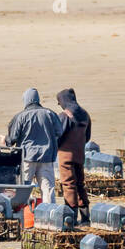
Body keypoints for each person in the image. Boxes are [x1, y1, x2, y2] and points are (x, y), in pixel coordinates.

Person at [4, 88, 61, 205]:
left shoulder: (20, 116)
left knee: (23, 189)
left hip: (26, 159)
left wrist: (6, 140)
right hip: (47, 157)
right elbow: (59, 132)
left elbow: (13, 137)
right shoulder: (50, 114)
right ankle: (49, 215)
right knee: (48, 189)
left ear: (25, 100)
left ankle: (23, 215)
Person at [55, 88, 92, 224]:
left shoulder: (65, 115)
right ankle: (85, 215)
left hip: (66, 157)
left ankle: (71, 216)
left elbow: (58, 135)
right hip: (80, 155)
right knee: (80, 184)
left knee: (68, 184)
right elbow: (87, 137)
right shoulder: (85, 114)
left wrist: (56, 147)